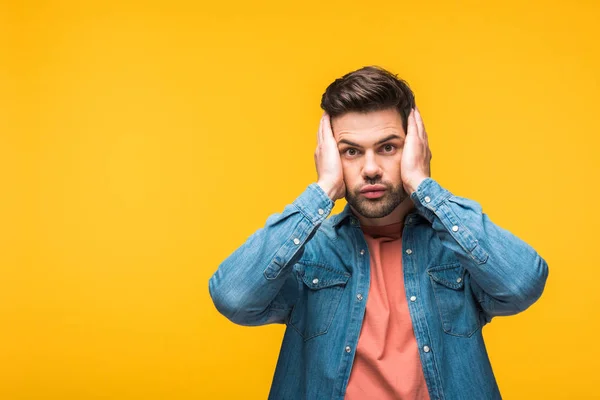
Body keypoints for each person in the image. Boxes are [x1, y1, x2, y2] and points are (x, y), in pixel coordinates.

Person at [208, 65, 549, 400]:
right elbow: (234, 298)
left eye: (388, 147)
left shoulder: (458, 246)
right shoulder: (308, 251)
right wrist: (323, 189)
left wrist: (422, 185)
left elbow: (521, 284)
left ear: (416, 148)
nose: (370, 169)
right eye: (351, 152)